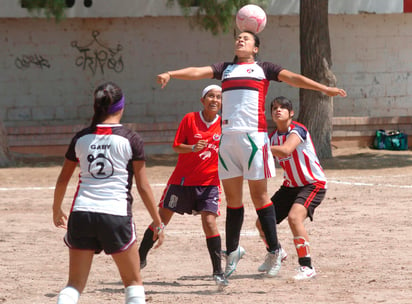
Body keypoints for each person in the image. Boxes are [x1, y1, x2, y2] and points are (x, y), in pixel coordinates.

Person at [156, 30, 346, 278]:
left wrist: (324, 88)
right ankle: (233, 251)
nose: (240, 40)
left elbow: (294, 78)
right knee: (233, 201)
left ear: (256, 48)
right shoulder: (224, 68)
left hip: (253, 139)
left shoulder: (264, 68)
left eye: (246, 38)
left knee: (260, 197)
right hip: (228, 140)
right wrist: (171, 74)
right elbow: (197, 71)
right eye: (238, 38)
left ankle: (275, 250)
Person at [52, 81, 165, 304]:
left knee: (74, 285)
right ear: (121, 107)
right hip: (115, 215)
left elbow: (63, 179)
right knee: (133, 283)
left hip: (82, 214)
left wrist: (56, 209)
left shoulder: (81, 138)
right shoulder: (131, 139)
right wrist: (157, 222)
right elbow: (143, 186)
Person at [138, 85, 228, 286]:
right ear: (202, 100)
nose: (215, 100)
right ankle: (140, 257)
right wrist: (192, 147)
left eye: (219, 97)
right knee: (161, 219)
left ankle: (218, 272)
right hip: (182, 181)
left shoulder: (225, 124)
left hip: (209, 183)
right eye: (211, 96)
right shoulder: (190, 119)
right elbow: (177, 146)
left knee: (210, 223)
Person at [256, 96, 327, 280]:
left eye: (282, 108)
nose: (278, 110)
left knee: (294, 218)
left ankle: (307, 267)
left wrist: (258, 146)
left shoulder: (297, 130)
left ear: (291, 113)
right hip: (289, 187)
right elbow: (263, 162)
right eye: (274, 108)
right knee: (262, 223)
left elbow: (287, 150)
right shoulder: (271, 138)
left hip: (312, 185)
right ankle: (276, 252)